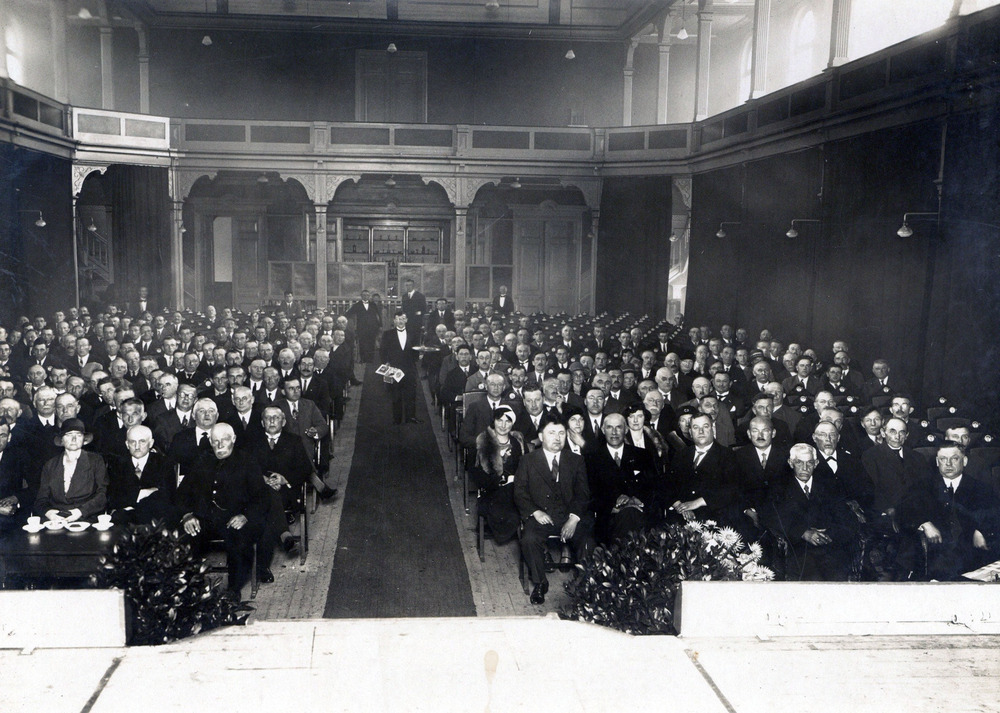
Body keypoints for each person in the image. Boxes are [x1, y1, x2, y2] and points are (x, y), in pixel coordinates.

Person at [178, 423, 268, 599]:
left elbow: (261, 497)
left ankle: (233, 589)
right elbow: (182, 493)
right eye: (215, 441)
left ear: (233, 439)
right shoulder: (202, 460)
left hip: (234, 518)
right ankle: (190, 590)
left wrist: (245, 516)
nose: (219, 445)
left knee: (239, 541)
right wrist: (187, 515)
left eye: (224, 440)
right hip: (204, 518)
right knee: (184, 537)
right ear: (210, 442)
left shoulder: (247, 461)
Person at [514, 415, 595, 605]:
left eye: (561, 433)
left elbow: (583, 493)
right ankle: (540, 582)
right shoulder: (528, 460)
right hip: (541, 515)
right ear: (541, 436)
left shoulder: (576, 460)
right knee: (529, 539)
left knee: (587, 539)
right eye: (551, 433)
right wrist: (535, 512)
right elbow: (519, 491)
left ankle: (584, 584)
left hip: (570, 515)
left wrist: (574, 518)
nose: (557, 438)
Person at [897, 441, 999, 581]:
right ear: (937, 462)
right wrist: (924, 523)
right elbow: (903, 511)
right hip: (934, 554)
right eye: (943, 459)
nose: (948, 464)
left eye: (954, 458)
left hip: (971, 554)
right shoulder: (922, 486)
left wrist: (981, 530)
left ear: (964, 461)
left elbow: (994, 514)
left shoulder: (980, 488)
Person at [762, 443, 859, 581]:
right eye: (799, 462)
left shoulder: (830, 485)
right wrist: (803, 532)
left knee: (837, 578)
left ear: (816, 463)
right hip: (798, 548)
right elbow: (773, 518)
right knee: (811, 578)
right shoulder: (779, 488)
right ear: (790, 463)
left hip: (829, 546)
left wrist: (828, 534)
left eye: (809, 463)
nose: (805, 468)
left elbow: (847, 518)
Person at [585, 413, 661, 544]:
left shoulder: (642, 455)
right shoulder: (592, 459)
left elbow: (654, 486)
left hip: (640, 512)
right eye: (609, 427)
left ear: (626, 430)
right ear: (603, 430)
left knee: (631, 515)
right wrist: (613, 504)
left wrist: (636, 500)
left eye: (619, 427)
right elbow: (589, 493)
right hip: (609, 517)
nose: (614, 432)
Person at [34, 419, 108, 522]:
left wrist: (80, 511)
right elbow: (41, 499)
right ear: (62, 440)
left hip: (86, 518)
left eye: (78, 435)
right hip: (56, 519)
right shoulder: (50, 465)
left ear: (84, 439)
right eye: (69, 435)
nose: (74, 439)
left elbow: (102, 495)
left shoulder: (96, 461)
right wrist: (49, 513)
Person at [470, 406, 525, 545]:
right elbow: (477, 474)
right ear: (493, 421)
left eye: (508, 421)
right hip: (491, 490)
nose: (503, 425)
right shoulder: (483, 441)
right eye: (499, 420)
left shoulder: (517, 443)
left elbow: (525, 469)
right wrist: (500, 481)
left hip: (515, 490)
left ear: (513, 423)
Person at [106, 425, 175, 525]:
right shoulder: (116, 464)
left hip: (154, 522)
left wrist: (130, 504)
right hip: (123, 522)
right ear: (127, 444)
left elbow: (167, 496)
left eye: (142, 441)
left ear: (151, 443)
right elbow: (113, 498)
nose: (137, 447)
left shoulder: (164, 463)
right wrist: (143, 493)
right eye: (132, 442)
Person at [380, 310, 421, 424]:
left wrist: (414, 360)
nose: (401, 321)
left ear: (406, 320)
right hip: (394, 368)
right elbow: (382, 351)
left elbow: (416, 351)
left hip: (409, 368)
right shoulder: (387, 334)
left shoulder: (413, 333)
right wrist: (386, 363)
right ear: (394, 320)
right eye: (398, 318)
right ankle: (397, 419)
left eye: (403, 318)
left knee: (411, 393)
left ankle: (411, 417)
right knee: (396, 394)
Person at [346, 289, 382, 363]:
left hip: (372, 328)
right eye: (364, 295)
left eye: (367, 295)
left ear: (369, 296)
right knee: (362, 344)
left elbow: (378, 316)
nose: (366, 297)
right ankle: (363, 360)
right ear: (361, 296)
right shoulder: (357, 305)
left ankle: (370, 360)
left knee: (371, 344)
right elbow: (348, 313)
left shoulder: (373, 305)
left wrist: (380, 325)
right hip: (362, 329)